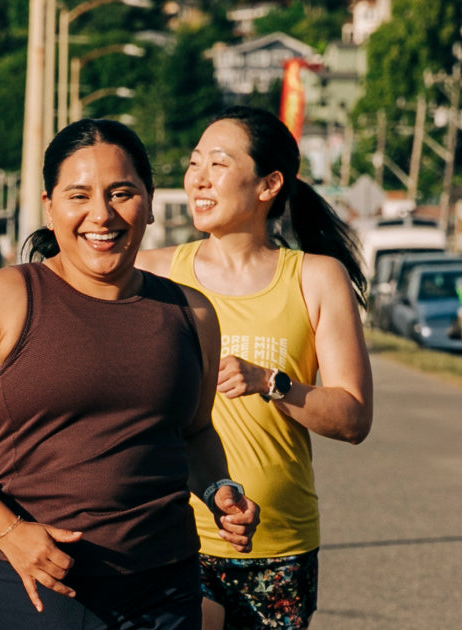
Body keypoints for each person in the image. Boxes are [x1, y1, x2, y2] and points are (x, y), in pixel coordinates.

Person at [0, 118, 259, 629]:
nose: (101, 214)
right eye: (79, 195)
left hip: (165, 594)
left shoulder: (191, 313)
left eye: (122, 192)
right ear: (50, 205)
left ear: (150, 202)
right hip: (31, 590)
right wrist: (9, 532)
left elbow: (194, 433)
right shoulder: (4, 300)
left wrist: (220, 488)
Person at [136, 105, 374, 630]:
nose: (198, 178)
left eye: (217, 165)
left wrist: (271, 382)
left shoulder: (315, 278)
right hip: (175, 536)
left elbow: (354, 419)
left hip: (281, 545)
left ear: (268, 185)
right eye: (194, 162)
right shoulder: (154, 274)